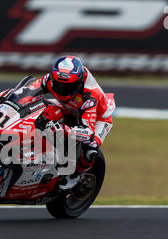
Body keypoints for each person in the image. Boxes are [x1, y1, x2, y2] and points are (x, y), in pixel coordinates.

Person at [27, 56, 115, 190]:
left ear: (78, 83)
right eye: (58, 84)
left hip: (98, 118)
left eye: (68, 86)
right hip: (69, 107)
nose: (61, 88)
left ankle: (76, 176)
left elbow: (88, 132)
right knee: (42, 113)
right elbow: (27, 92)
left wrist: (63, 129)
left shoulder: (90, 95)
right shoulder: (50, 79)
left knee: (90, 147)